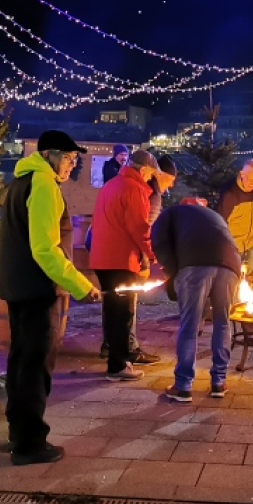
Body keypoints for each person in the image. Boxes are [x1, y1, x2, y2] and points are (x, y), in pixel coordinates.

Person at [0, 130, 101, 465]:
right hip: (37, 289)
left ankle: (18, 433)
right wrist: (80, 284)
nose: (73, 164)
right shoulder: (43, 186)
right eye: (70, 158)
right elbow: (45, 249)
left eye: (76, 159)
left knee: (20, 361)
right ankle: (30, 444)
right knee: (34, 366)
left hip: (17, 286)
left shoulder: (19, 183)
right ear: (51, 155)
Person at [153, 198, 242, 403]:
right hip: (230, 265)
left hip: (195, 265)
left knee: (189, 325)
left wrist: (172, 272)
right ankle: (219, 382)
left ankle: (183, 385)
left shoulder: (169, 214)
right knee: (222, 322)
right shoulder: (214, 216)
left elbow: (158, 241)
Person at [90, 148, 160, 381]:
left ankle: (115, 361)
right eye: (151, 172)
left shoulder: (112, 184)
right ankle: (119, 366)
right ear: (144, 169)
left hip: (103, 258)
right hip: (120, 260)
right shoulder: (134, 189)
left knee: (112, 311)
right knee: (123, 313)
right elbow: (140, 229)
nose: (152, 177)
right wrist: (153, 254)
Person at [218, 159, 253, 271]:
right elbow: (220, 222)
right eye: (249, 179)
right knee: (232, 280)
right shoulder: (230, 193)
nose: (252, 184)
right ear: (241, 174)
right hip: (233, 246)